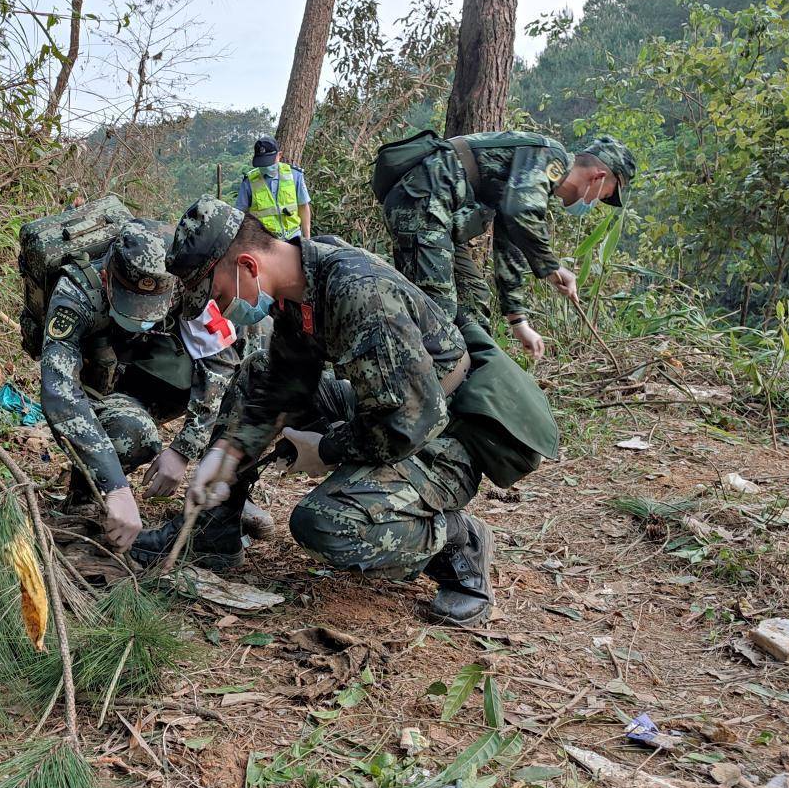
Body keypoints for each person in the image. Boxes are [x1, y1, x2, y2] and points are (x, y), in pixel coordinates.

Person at [132, 197, 558, 627]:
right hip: (390, 405)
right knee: (255, 374)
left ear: (247, 266)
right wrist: (229, 452)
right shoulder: (299, 286)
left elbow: (408, 424)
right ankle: (214, 532)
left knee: (326, 524)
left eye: (218, 294)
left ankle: (458, 543)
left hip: (446, 434)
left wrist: (327, 448)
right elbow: (285, 381)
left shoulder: (357, 291)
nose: (220, 309)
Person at [40, 218, 271, 551]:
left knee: (251, 358)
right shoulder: (75, 293)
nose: (142, 317)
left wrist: (183, 450)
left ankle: (221, 500)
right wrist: (116, 486)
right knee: (130, 434)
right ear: (108, 279)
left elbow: (219, 364)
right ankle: (86, 491)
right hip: (100, 386)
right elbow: (59, 392)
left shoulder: (182, 279)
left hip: (150, 372)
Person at [376, 131, 635, 359]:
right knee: (437, 312)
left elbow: (510, 242)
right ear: (599, 177)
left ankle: (470, 384)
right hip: (422, 202)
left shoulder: (535, 181)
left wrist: (518, 320)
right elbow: (519, 212)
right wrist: (552, 267)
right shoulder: (550, 156)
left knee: (474, 300)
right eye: (607, 195)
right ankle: (409, 390)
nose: (598, 201)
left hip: (439, 212)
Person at [236, 136, 312, 242]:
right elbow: (240, 213)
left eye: (269, 162)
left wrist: (307, 238)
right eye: (263, 163)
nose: (266, 166)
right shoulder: (249, 181)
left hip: (293, 238)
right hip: (263, 242)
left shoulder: (294, 175)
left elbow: (303, 207)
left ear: (279, 155)